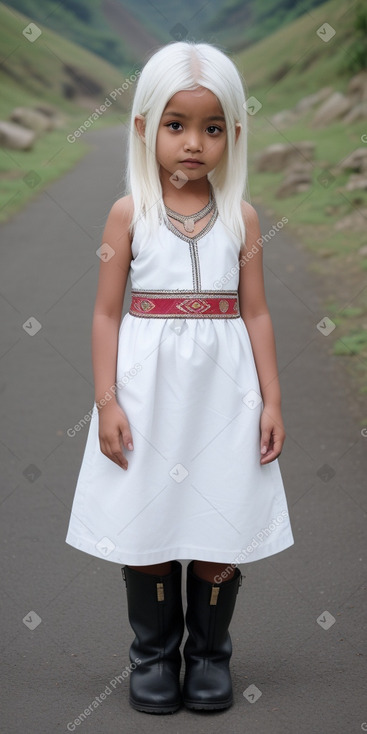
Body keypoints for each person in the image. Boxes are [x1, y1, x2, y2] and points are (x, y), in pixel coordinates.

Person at [65, 40, 294, 715]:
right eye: (176, 125)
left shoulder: (241, 218)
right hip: (146, 392)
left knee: (219, 515)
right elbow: (107, 314)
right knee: (149, 519)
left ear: (232, 135)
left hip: (225, 394)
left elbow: (254, 312)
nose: (193, 143)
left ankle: (209, 657)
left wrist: (271, 398)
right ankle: (153, 657)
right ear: (143, 129)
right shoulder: (127, 215)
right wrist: (106, 400)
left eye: (213, 128)